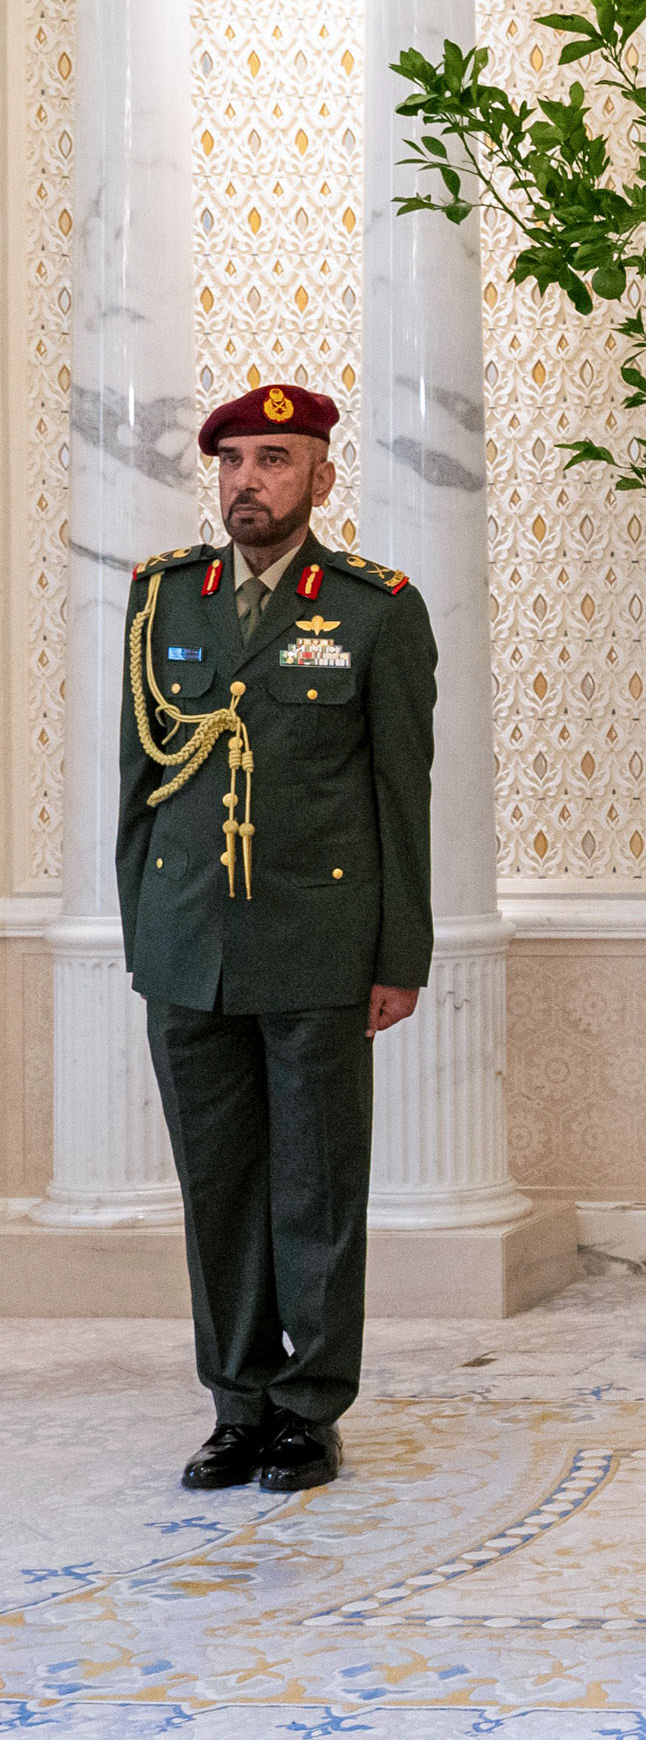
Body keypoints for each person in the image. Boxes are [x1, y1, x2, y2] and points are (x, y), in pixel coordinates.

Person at [121, 383, 433, 1499]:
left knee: (314, 1187)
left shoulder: (374, 609)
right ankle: (237, 1405)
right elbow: (139, 786)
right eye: (235, 461)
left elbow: (403, 794)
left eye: (274, 460)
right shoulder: (164, 600)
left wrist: (401, 955)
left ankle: (309, 1410)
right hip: (186, 942)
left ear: (320, 479)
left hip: (317, 938)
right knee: (218, 1189)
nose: (248, 480)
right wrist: (141, 931)